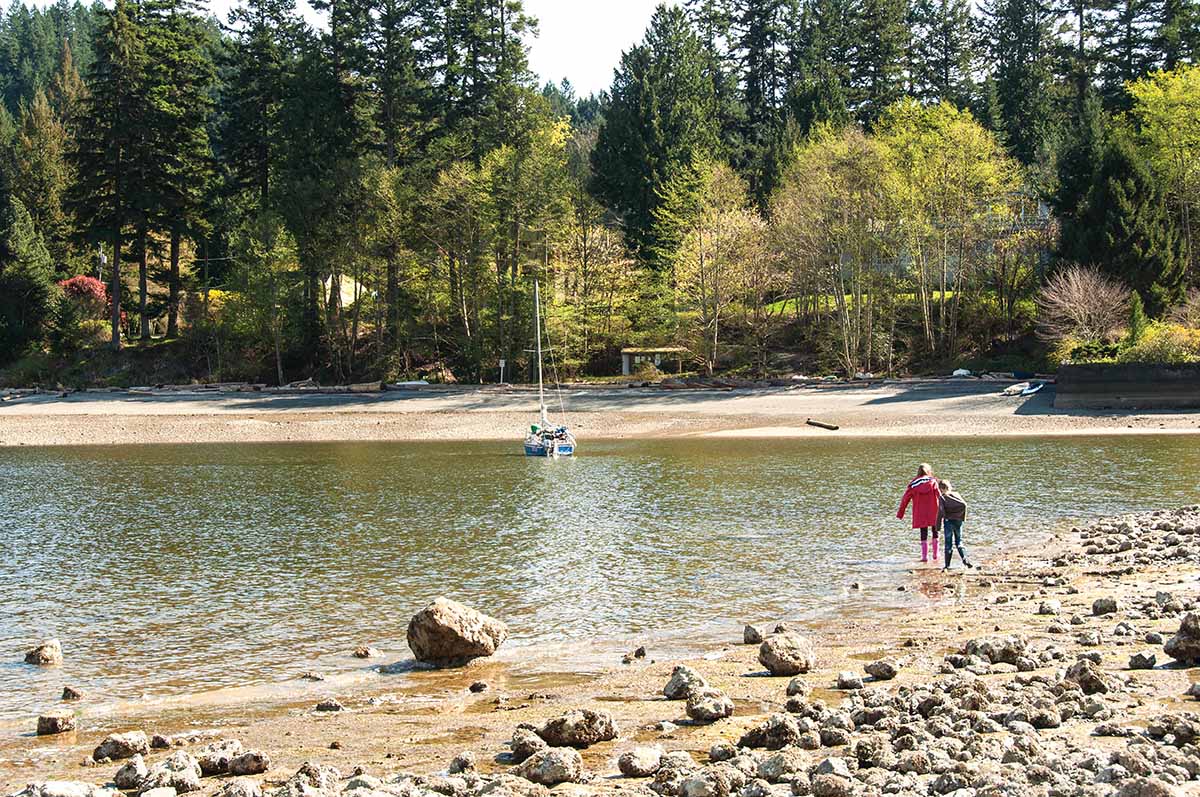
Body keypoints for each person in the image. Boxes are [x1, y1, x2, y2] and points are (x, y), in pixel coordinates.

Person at [897, 463, 941, 563]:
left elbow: (905, 499)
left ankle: (924, 556)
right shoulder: (934, 482)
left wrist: (901, 513)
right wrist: (946, 510)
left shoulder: (913, 485)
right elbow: (940, 496)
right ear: (929, 471)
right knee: (935, 531)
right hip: (934, 510)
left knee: (923, 532)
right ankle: (935, 554)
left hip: (920, 512)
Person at [937, 479, 972, 570]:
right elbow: (964, 505)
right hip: (958, 521)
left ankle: (947, 565)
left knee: (948, 544)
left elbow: (940, 512)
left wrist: (937, 527)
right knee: (959, 542)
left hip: (948, 522)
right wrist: (962, 517)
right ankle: (965, 559)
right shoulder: (957, 494)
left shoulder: (942, 498)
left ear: (941, 489)